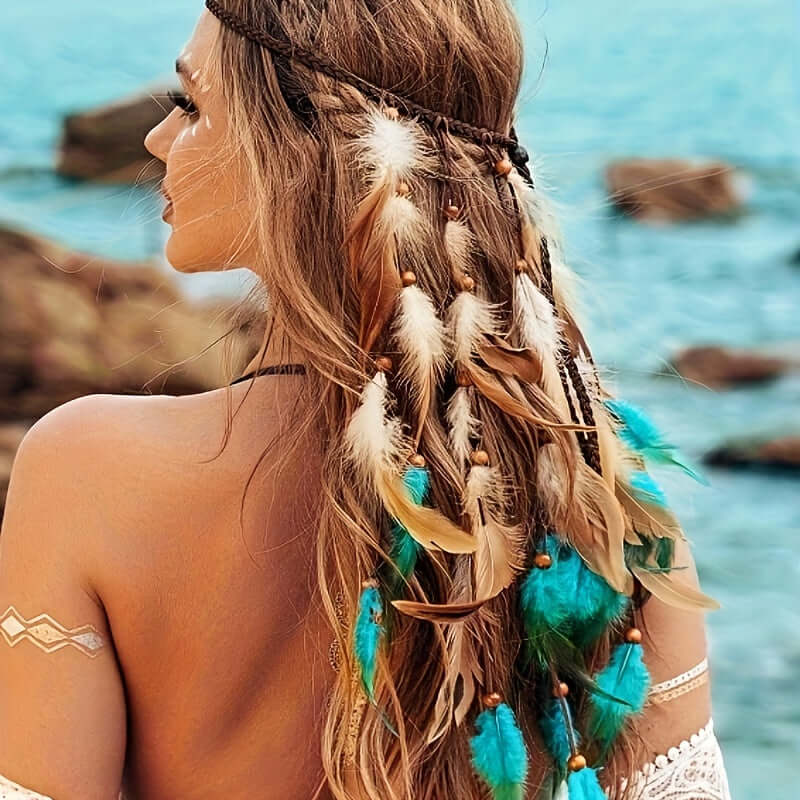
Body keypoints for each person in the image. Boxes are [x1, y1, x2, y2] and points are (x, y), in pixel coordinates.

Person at [0, 2, 732, 798]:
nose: (157, 140)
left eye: (190, 105)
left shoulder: (85, 471)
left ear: (293, 152)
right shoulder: (601, 502)